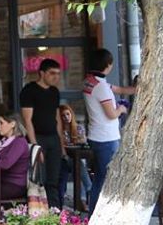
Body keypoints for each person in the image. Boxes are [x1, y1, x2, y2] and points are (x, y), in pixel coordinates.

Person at [83, 48, 137, 210]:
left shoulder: (90, 81)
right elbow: (111, 114)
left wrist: (135, 89)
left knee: (100, 177)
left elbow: (119, 89)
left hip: (96, 136)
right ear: (107, 64)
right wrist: (121, 108)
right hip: (106, 138)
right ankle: (98, 213)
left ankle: (94, 213)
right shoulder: (101, 87)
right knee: (107, 179)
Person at [20, 58, 64, 209]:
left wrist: (61, 143)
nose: (56, 77)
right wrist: (35, 146)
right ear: (42, 73)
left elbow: (57, 118)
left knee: (54, 179)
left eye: (58, 73)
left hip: (53, 138)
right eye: (52, 73)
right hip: (37, 138)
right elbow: (27, 120)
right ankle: (39, 213)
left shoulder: (54, 92)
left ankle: (55, 212)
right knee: (39, 179)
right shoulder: (29, 90)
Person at [58, 104, 89, 209]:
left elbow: (83, 140)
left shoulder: (78, 127)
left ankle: (82, 200)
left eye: (68, 114)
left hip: (75, 157)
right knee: (78, 166)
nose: (66, 117)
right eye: (63, 115)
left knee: (78, 166)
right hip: (63, 159)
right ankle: (88, 189)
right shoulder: (60, 130)